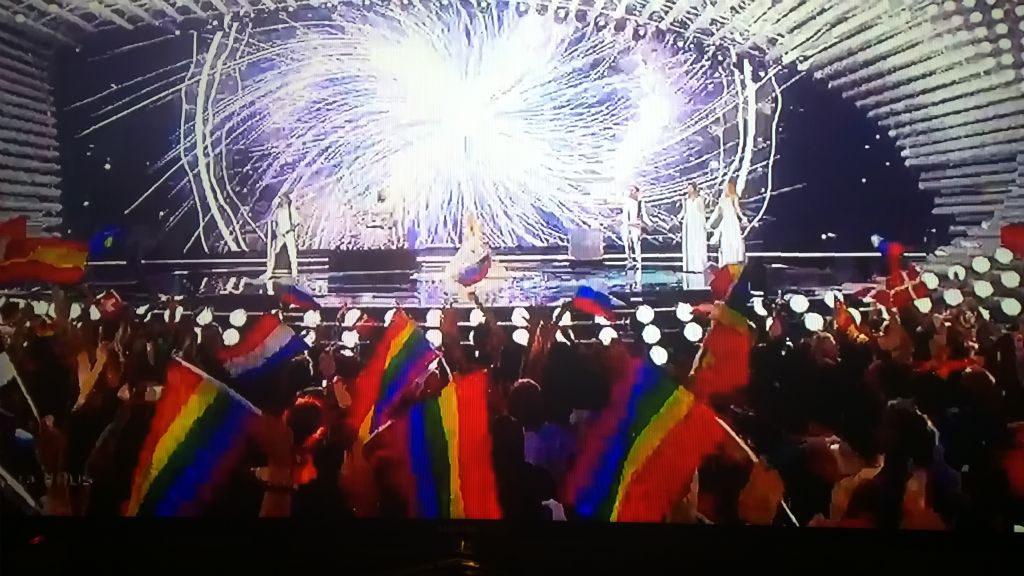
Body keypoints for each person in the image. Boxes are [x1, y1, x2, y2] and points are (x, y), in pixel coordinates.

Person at [262, 190, 299, 280]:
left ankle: (295, 274)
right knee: (273, 251)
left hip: (289, 234)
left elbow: (297, 221)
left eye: (282, 199)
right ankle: (269, 271)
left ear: (286, 200)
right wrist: (276, 231)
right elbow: (274, 221)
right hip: (280, 235)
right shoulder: (278, 211)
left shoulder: (291, 209)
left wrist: (293, 230)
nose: (280, 201)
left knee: (292, 254)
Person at [709, 180, 748, 266]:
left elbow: (737, 209)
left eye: (726, 187)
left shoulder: (734, 197)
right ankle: (726, 260)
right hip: (725, 222)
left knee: (734, 239)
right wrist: (713, 223)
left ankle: (735, 259)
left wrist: (743, 218)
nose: (725, 189)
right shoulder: (721, 200)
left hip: (732, 221)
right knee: (726, 240)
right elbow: (719, 213)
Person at [679, 183, 708, 285]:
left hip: (697, 223)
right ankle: (690, 267)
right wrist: (678, 218)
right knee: (690, 244)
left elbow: (702, 211)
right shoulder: (686, 200)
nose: (688, 189)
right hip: (689, 224)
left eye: (690, 187)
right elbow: (684, 212)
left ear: (694, 189)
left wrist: (704, 225)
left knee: (698, 243)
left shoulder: (699, 199)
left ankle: (699, 267)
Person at [621, 184, 650, 269]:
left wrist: (649, 224)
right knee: (627, 243)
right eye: (630, 190)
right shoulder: (626, 202)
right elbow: (624, 215)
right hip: (626, 225)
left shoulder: (640, 202)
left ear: (636, 192)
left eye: (633, 190)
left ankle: (638, 262)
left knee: (636, 242)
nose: (631, 192)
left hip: (635, 225)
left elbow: (643, 214)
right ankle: (629, 260)